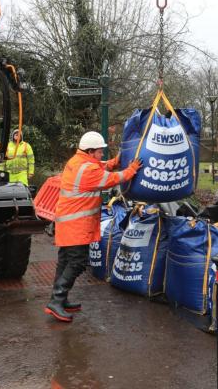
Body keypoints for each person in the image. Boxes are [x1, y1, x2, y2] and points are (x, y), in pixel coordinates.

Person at [45, 131, 141, 322]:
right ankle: (56, 301)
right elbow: (111, 179)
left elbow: (101, 167)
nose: (101, 155)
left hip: (67, 223)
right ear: (89, 152)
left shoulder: (77, 162)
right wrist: (131, 170)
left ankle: (59, 299)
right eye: (99, 152)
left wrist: (115, 161)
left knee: (65, 261)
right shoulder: (88, 170)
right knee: (77, 262)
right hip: (76, 225)